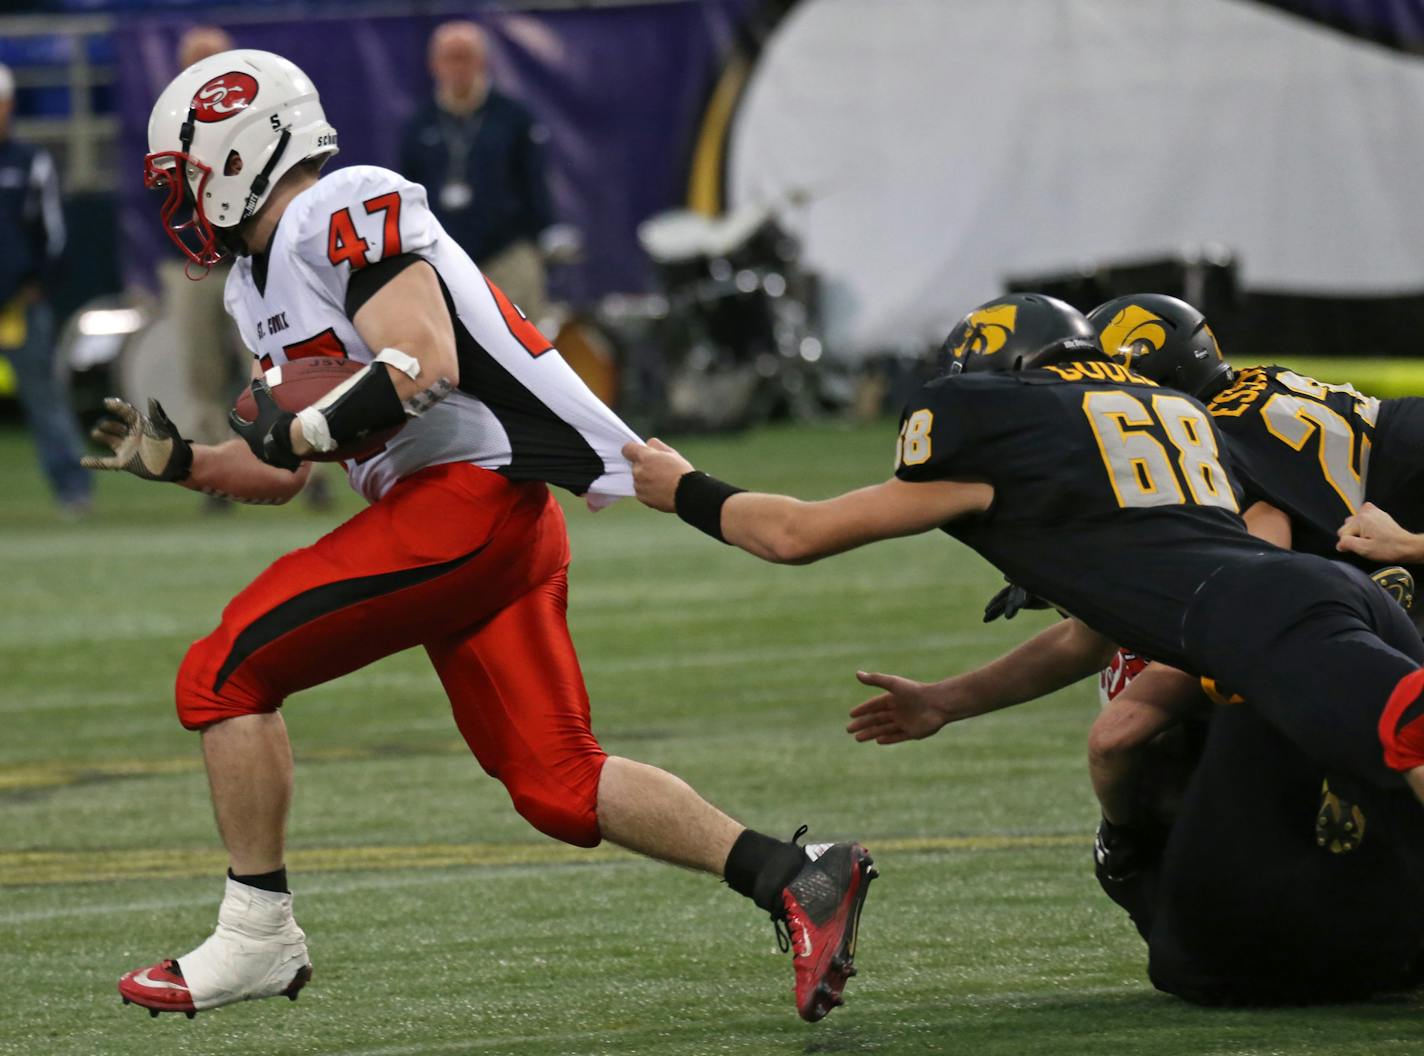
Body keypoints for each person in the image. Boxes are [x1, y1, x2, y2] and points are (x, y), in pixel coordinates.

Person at [84, 50, 872, 1024]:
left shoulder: (343, 204)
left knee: (221, 673)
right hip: (486, 520)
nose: (184, 202)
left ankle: (257, 934)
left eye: (189, 178)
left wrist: (311, 424)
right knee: (555, 784)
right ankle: (796, 877)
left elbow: (422, 360)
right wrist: (186, 463)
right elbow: (287, 471)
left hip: (467, 500)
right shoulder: (258, 282)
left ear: (243, 153)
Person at [623, 292, 1424, 999]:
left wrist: (685, 489)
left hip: (1263, 620)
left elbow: (794, 534)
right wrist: (947, 700)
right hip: (1323, 597)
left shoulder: (1009, 429)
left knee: (1409, 733)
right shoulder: (1171, 416)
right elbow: (1090, 630)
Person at [398, 20, 579, 329]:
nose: (458, 66)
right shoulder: (419, 125)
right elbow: (408, 192)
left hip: (506, 253)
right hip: (445, 258)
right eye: (449, 57)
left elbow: (534, 181)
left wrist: (546, 230)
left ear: (482, 61)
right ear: (434, 65)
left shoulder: (512, 117)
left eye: (465, 55)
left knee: (521, 343)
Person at [0, 62, 92, 516]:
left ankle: (73, 488)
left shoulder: (29, 162)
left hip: (18, 304)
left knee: (45, 401)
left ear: (9, 106)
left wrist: (39, 285)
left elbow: (54, 234)